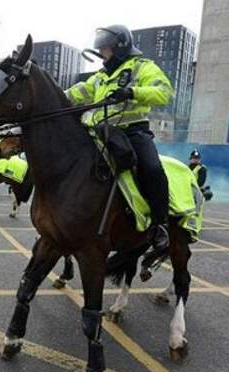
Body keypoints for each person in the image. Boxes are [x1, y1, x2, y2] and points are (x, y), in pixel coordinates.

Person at [65, 25, 173, 251]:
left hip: (133, 132)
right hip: (101, 133)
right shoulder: (101, 77)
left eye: (105, 49)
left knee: (152, 169)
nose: (102, 53)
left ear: (120, 47)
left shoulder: (142, 67)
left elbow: (164, 92)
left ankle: (161, 225)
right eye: (101, 49)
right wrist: (52, 96)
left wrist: (133, 92)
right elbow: (77, 93)